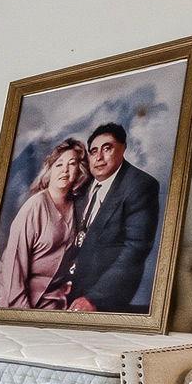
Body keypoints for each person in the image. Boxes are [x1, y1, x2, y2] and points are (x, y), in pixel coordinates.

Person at [37, 122, 160, 313]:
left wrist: (94, 299)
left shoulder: (140, 185)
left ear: (123, 148)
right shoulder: (81, 183)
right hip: (63, 292)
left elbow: (134, 251)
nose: (99, 157)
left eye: (107, 148)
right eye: (93, 151)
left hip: (103, 298)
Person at [0, 138, 89, 309]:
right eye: (59, 164)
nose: (65, 170)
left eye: (72, 164)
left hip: (51, 299)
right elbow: (14, 264)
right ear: (50, 170)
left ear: (79, 171)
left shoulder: (77, 208)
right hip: (11, 296)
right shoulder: (35, 206)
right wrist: (22, 312)